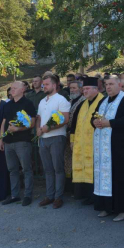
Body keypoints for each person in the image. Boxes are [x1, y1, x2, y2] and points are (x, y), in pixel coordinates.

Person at [92, 75, 124, 221]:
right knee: (106, 177)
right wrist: (95, 122)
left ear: (119, 85)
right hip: (105, 149)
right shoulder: (103, 100)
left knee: (121, 177)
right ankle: (107, 207)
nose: (108, 87)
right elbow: (94, 116)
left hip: (120, 148)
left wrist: (109, 123)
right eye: (106, 84)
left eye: (111, 84)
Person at [0, 81, 37, 206]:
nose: (12, 90)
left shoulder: (28, 103)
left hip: (22, 141)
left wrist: (18, 129)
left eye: (15, 88)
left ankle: (27, 195)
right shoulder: (7, 104)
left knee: (26, 169)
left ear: (22, 90)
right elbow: (4, 123)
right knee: (12, 170)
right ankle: (15, 195)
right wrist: (1, 139)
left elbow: (32, 123)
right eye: (11, 88)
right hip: (8, 142)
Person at [36, 74, 71, 209]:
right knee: (48, 169)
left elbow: (65, 119)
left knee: (58, 169)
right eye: (43, 84)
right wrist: (38, 128)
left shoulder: (61, 100)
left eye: (47, 84)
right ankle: (49, 195)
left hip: (56, 137)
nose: (44, 86)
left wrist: (49, 127)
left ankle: (58, 197)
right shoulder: (42, 101)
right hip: (43, 139)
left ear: (55, 85)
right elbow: (39, 117)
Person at [69, 77, 103, 204]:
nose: (84, 91)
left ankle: (95, 197)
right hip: (81, 143)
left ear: (96, 89)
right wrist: (72, 140)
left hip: (95, 143)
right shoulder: (82, 104)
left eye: (87, 89)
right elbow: (73, 124)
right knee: (83, 166)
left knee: (95, 169)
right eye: (83, 89)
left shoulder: (102, 101)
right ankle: (85, 195)